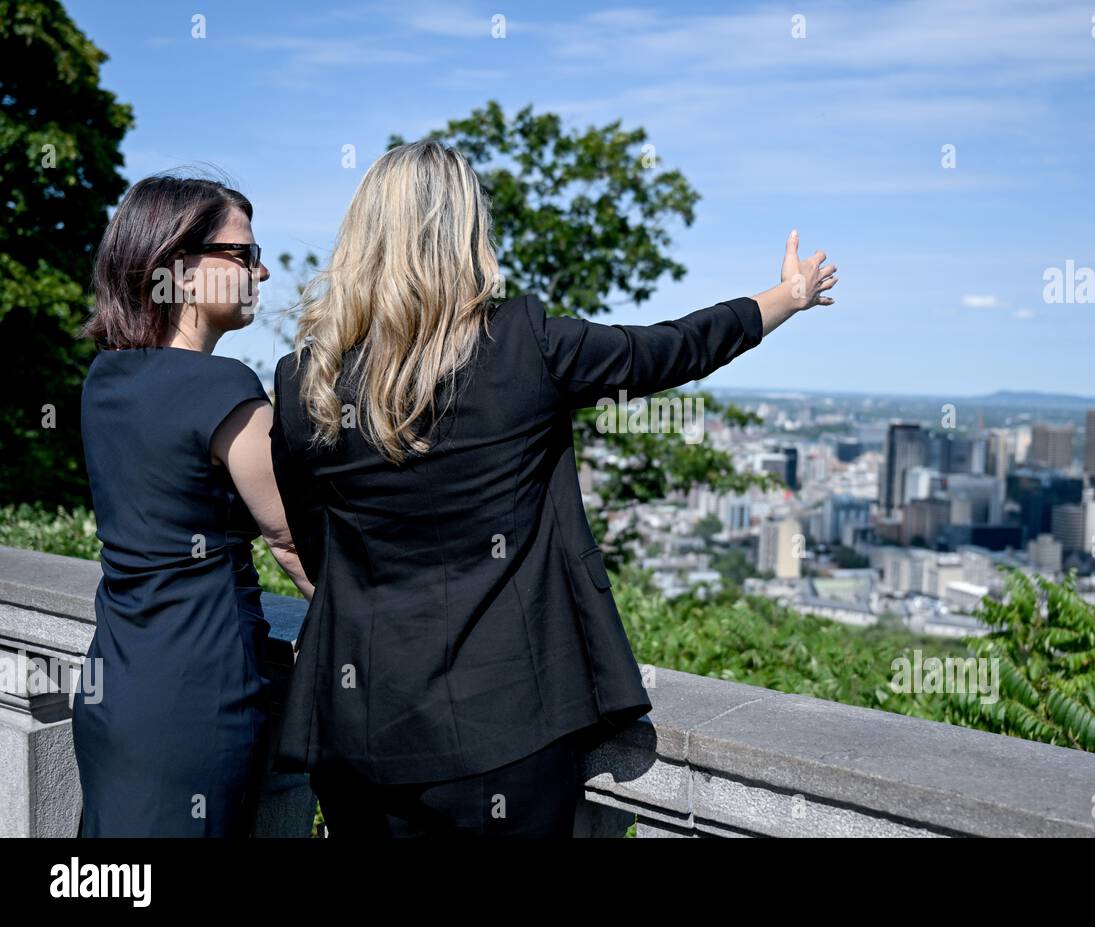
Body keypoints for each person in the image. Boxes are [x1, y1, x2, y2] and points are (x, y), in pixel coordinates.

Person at [269, 139, 837, 837]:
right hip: (505, 731)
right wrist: (788, 295)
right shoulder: (522, 345)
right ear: (465, 233)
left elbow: (309, 540)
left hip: (353, 731)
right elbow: (667, 348)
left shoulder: (304, 382)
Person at [72, 176, 314, 836]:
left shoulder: (106, 378)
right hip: (196, 700)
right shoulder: (225, 389)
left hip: (115, 687)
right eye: (242, 253)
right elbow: (294, 543)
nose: (260, 268)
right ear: (176, 265)